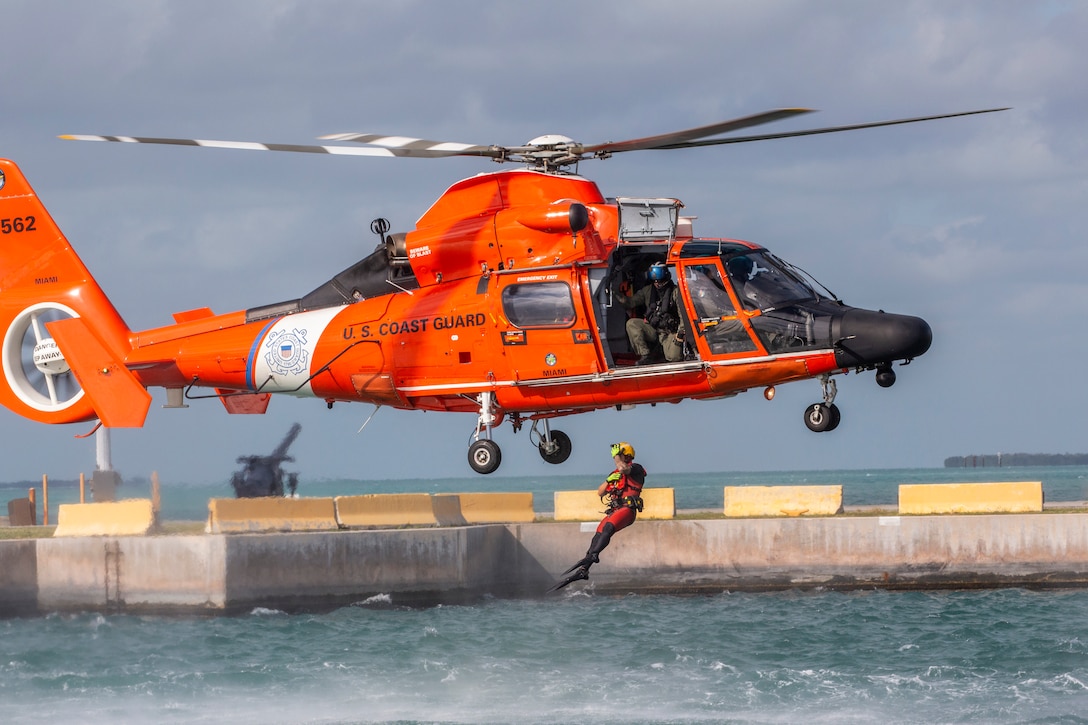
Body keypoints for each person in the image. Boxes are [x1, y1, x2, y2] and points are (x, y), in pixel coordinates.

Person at [549, 442, 647, 591]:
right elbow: (600, 492)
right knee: (598, 535)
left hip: (627, 510)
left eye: (619, 455)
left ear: (625, 456)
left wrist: (616, 456)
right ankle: (583, 570)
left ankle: (593, 556)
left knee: (608, 528)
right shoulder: (615, 474)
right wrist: (608, 481)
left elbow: (623, 468)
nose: (616, 458)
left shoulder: (635, 469)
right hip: (615, 510)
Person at [621, 262, 686, 364]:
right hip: (654, 329)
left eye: (660, 281)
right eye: (655, 282)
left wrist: (681, 334)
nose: (657, 284)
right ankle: (645, 355)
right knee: (632, 324)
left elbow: (683, 315)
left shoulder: (675, 292)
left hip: (671, 331)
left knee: (674, 357)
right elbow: (630, 302)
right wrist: (613, 292)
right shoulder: (648, 291)